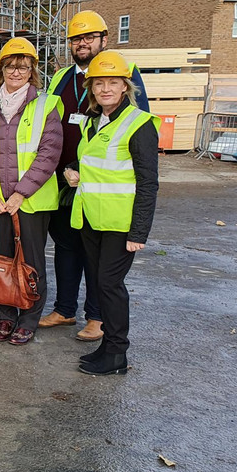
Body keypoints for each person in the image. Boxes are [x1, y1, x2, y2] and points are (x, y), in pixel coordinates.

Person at [40, 10, 150, 342]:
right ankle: (64, 308)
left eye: (89, 38)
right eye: (76, 39)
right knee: (66, 245)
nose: (82, 44)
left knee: (97, 253)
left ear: (104, 39)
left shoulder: (124, 74)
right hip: (65, 180)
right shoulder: (61, 77)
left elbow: (134, 127)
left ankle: (97, 317)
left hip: (103, 183)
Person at [65, 51, 159, 375]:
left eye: (113, 83)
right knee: (99, 282)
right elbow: (96, 163)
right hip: (93, 218)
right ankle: (107, 345)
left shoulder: (139, 124)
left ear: (125, 86)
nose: (105, 89)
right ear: (92, 88)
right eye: (99, 83)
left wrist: (139, 232)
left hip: (121, 222)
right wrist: (73, 170)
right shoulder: (94, 122)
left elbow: (148, 182)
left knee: (109, 284)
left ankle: (118, 353)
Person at [0, 37, 62, 345]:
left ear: (32, 70)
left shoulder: (45, 104)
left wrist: (21, 193)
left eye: (23, 67)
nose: (17, 72)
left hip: (30, 202)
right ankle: (7, 317)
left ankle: (29, 319)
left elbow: (49, 153)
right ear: (1, 69)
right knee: (4, 260)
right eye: (10, 66)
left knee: (31, 261)